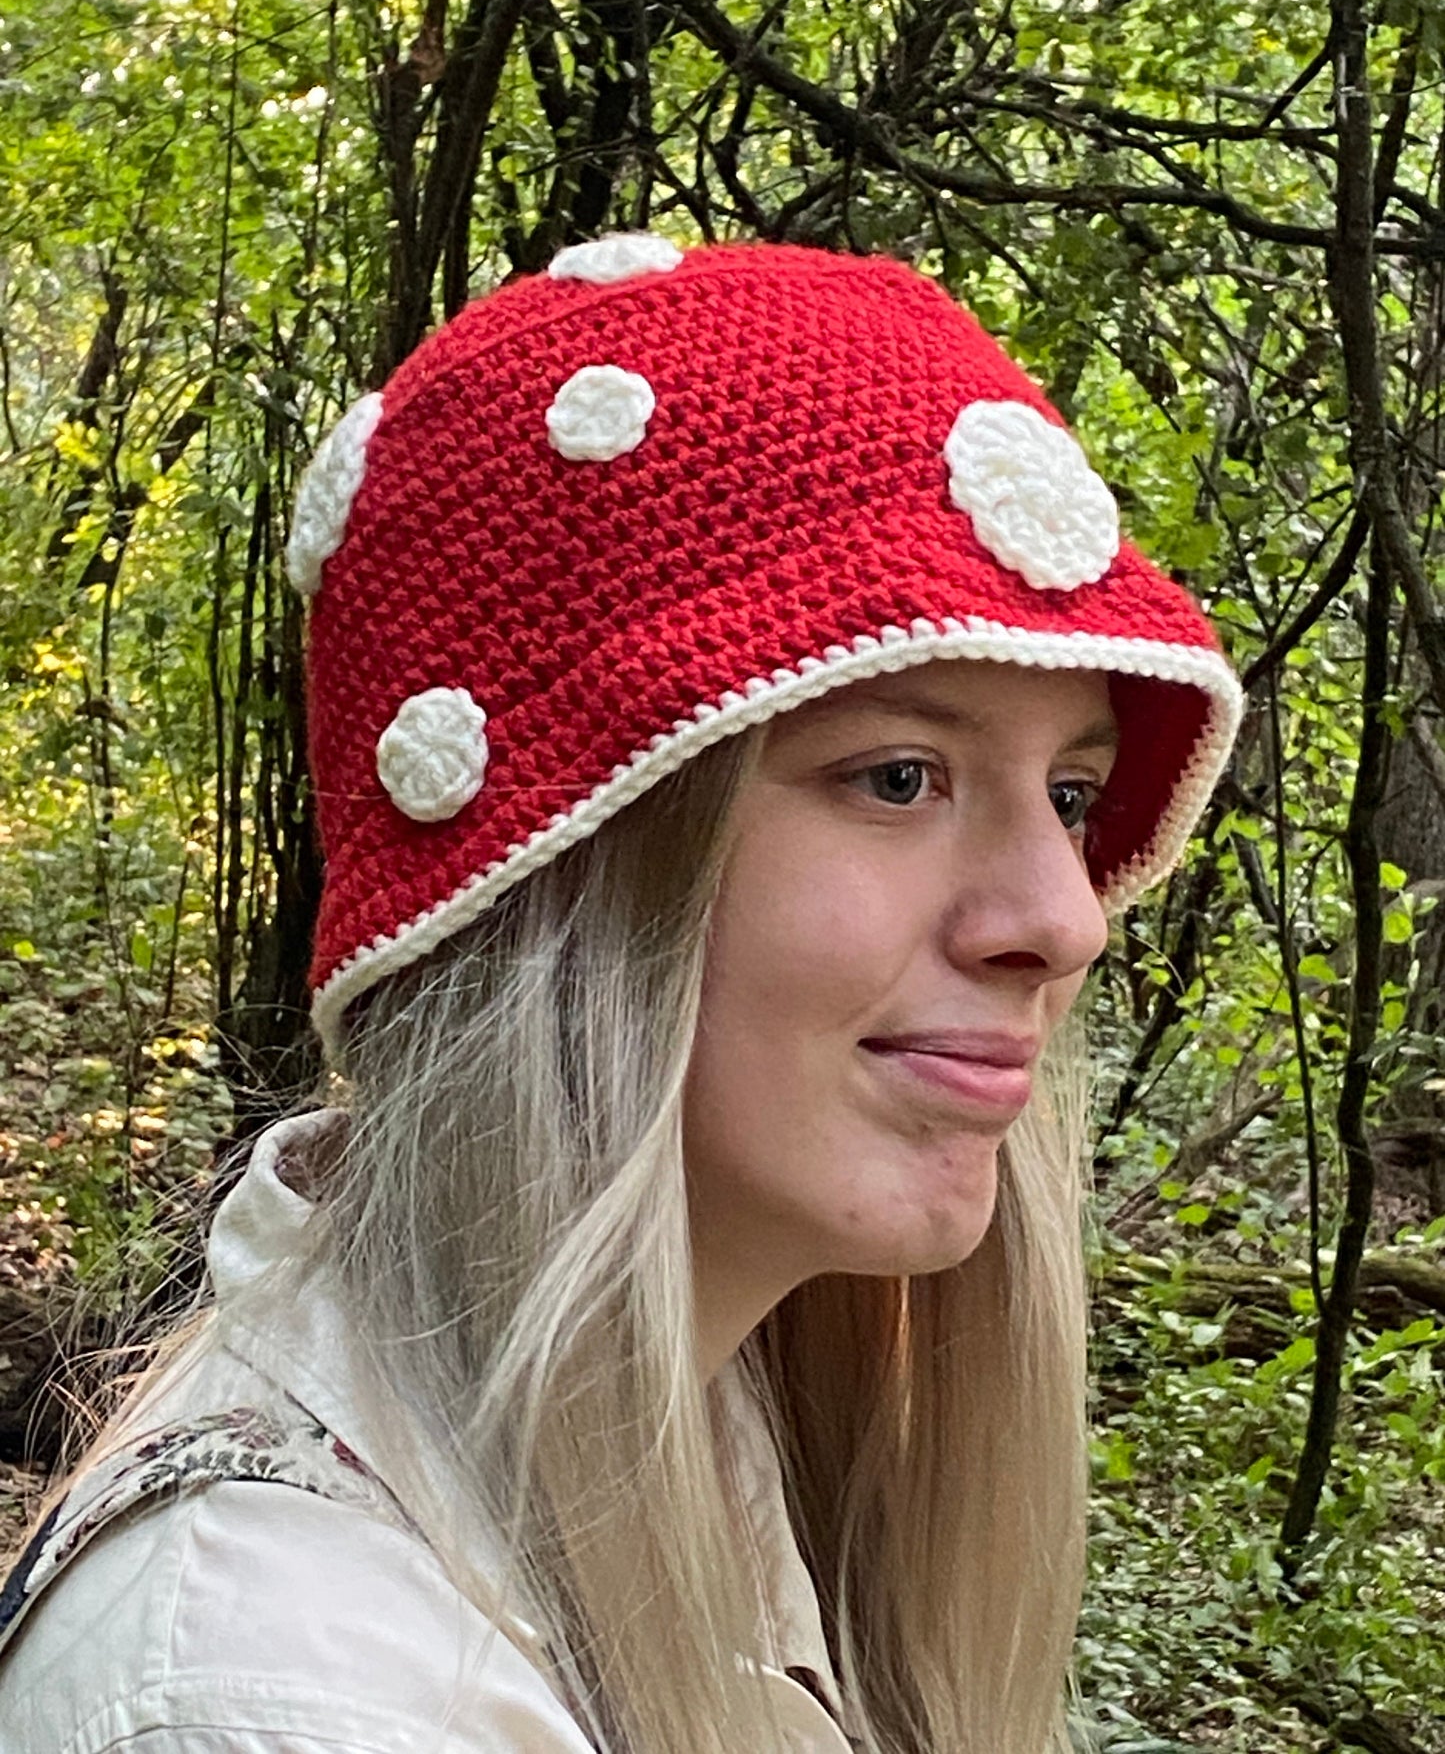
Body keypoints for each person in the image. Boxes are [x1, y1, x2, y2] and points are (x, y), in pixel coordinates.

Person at [0, 236, 1240, 1754]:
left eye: (1067, 790)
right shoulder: (284, 1694)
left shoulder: (712, 1440)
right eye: (898, 777)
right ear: (548, 875)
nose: (1061, 918)